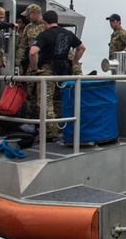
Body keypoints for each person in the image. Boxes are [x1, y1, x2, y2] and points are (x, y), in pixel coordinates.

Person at [28, 10, 86, 141]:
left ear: (44, 22)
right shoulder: (68, 33)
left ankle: (50, 132)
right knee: (60, 99)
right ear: (57, 20)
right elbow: (82, 47)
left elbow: (33, 52)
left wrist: (34, 68)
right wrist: (73, 62)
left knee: (45, 100)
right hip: (63, 69)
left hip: (48, 69)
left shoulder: (44, 34)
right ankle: (62, 127)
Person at [16, 4, 46, 74]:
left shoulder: (46, 25)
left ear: (35, 13)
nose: (26, 17)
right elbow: (22, 46)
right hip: (31, 60)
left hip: (44, 60)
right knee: (29, 82)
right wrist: (18, 63)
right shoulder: (28, 27)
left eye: (28, 15)